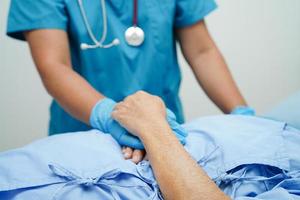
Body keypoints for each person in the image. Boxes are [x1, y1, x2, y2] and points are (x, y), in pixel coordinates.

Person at [7, 0, 254, 163]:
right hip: (83, 137)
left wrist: (242, 116)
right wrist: (111, 116)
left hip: (165, 134)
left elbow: (202, 52)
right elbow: (54, 67)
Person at [0, 91, 299, 200]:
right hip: (50, 158)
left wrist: (152, 126)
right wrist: (243, 117)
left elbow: (202, 48)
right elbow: (52, 62)